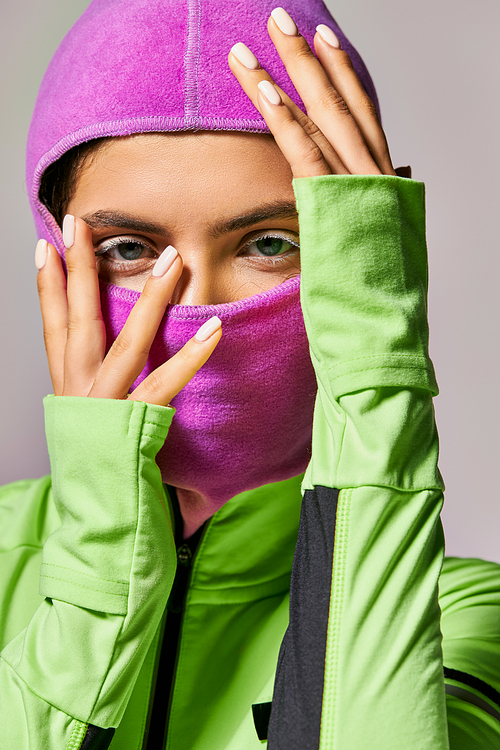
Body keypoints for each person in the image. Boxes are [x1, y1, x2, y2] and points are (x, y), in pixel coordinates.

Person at [1, 0, 499, 748]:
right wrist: (100, 558)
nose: (198, 307)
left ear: (360, 272)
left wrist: (379, 371)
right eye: (130, 250)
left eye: (269, 242)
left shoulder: (461, 614)